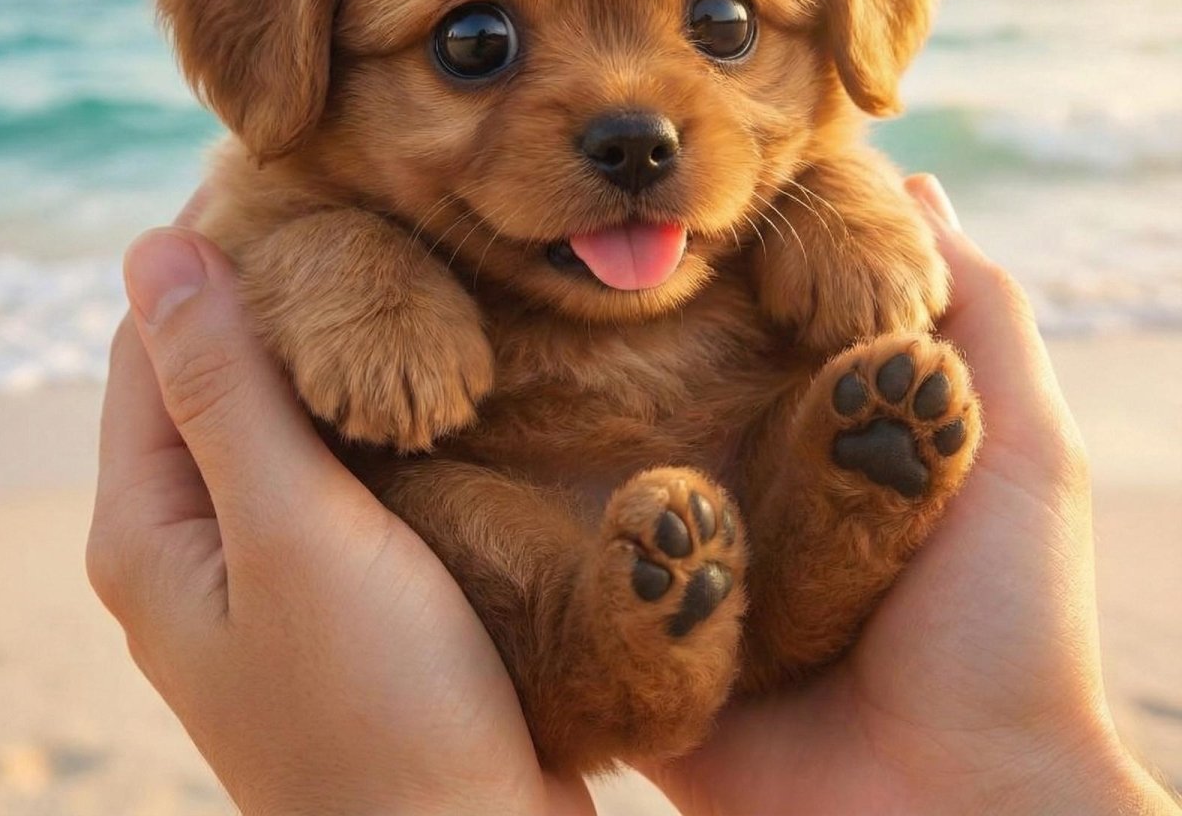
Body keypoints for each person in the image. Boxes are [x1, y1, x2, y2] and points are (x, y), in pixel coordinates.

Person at [86, 176, 1179, 816]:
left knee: (814, 417)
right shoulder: (321, 199)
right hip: (524, 533)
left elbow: (827, 145)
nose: (634, 119)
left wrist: (840, 196)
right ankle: (619, 651)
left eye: (721, 22)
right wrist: (334, 264)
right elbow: (268, 215)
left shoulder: (762, 181)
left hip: (746, 484)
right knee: (433, 510)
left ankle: (827, 523)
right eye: (478, 45)